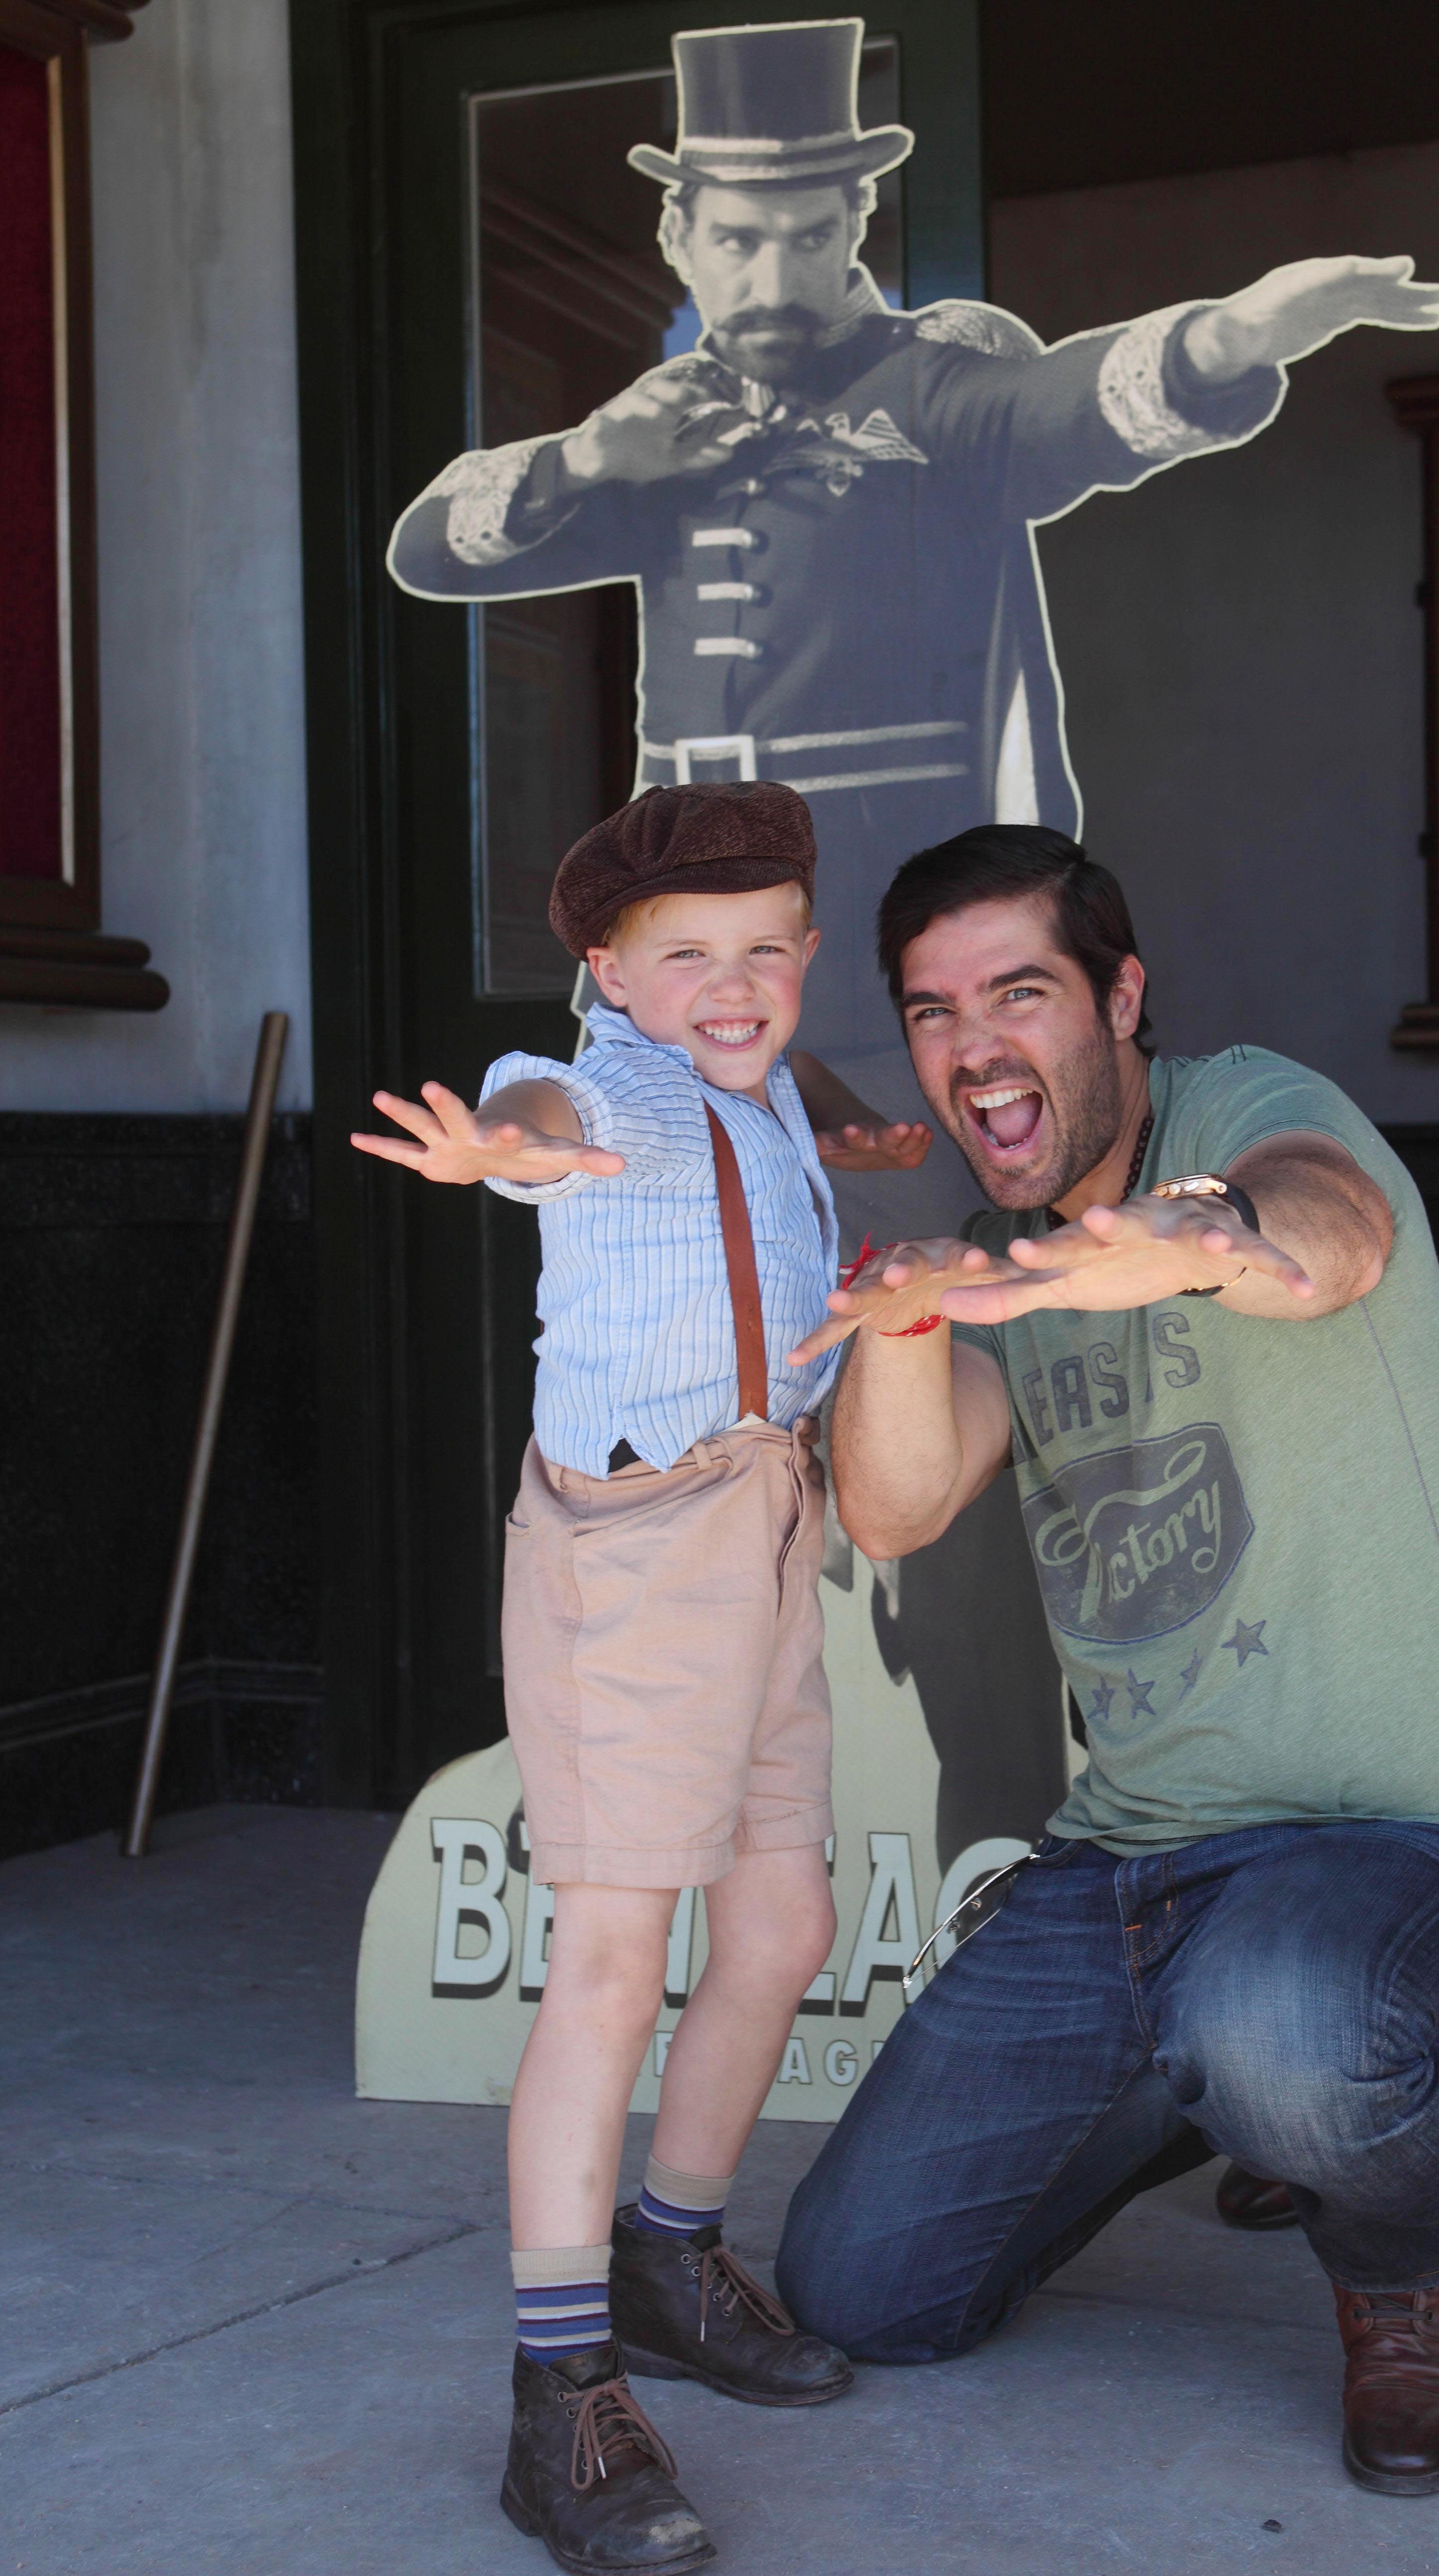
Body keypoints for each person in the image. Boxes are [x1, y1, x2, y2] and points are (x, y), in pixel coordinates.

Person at [774, 824, 1439, 2500]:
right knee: (859, 2288)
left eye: (1019, 992)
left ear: (1119, 998)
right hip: (1120, 1875)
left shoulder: (1248, 1113)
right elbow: (895, 1505)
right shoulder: (1009, 1256)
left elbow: (1328, 1224)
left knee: (1287, 2018)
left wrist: (1201, 1236)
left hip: (1409, 1847)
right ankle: (1218, 2089)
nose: (973, 1046)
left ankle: (1401, 2272)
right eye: (931, 1011)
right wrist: (910, 1304)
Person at [386, 14, 1439, 1074]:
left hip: (880, 923)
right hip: (677, 938)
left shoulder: (931, 378)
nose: (772, 280)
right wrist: (581, 459)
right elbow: (429, 554)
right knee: (668, 1219)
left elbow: (1055, 408)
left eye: (807, 238)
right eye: (737, 242)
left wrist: (1229, 337)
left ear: (857, 222)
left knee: (913, 1229)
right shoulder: (655, 425)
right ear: (679, 237)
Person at [352, 781, 929, 2575]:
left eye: (770, 949)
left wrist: (854, 1123)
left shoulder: (755, 1071)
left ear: (810, 951)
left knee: (782, 1922)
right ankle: (559, 2395)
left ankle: (668, 2253)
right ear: (605, 972)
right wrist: (499, 1144)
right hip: (633, 1552)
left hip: (768, 1519)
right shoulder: (612, 1087)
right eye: (687, 957)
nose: (735, 985)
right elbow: (559, 1114)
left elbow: (771, 1075)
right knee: (610, 1958)